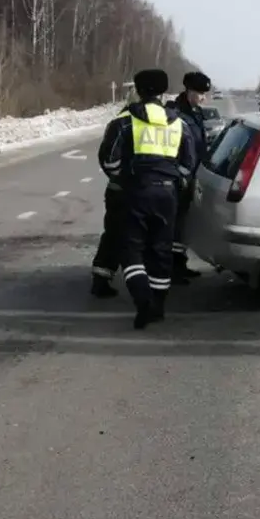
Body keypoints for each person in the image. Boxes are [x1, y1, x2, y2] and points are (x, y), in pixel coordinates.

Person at [99, 68, 197, 329]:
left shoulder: (125, 121)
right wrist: (176, 182)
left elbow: (109, 161)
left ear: (138, 91)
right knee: (161, 251)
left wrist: (124, 179)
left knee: (131, 249)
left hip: (137, 193)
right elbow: (188, 163)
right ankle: (158, 306)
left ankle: (142, 298)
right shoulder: (179, 123)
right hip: (167, 196)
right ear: (164, 91)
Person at [165, 71, 212, 282]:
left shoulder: (196, 113)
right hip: (178, 177)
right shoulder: (174, 113)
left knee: (184, 224)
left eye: (205, 94)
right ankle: (170, 268)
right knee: (174, 224)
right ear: (189, 90)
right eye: (200, 93)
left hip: (192, 175)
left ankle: (179, 263)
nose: (203, 98)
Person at [90, 93, 135, 298]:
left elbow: (107, 160)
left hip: (121, 189)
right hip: (130, 190)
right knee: (119, 235)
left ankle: (102, 278)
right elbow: (108, 159)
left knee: (114, 235)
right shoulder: (124, 122)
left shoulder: (120, 121)